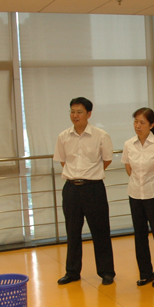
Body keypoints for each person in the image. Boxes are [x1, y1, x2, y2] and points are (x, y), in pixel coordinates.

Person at [54, 97, 116, 286]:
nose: (75, 115)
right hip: (71, 189)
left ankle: (106, 272)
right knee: (72, 232)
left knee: (100, 231)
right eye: (72, 112)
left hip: (93, 189)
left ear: (89, 114)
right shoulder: (63, 136)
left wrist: (90, 174)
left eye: (79, 112)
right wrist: (77, 175)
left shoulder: (100, 135)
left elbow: (107, 160)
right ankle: (72, 272)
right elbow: (63, 161)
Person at [122, 108, 154, 288]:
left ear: (151, 125)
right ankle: (145, 273)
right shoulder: (129, 144)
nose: (138, 125)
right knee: (140, 235)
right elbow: (129, 168)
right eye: (136, 121)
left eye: (142, 122)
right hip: (135, 194)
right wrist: (139, 183)